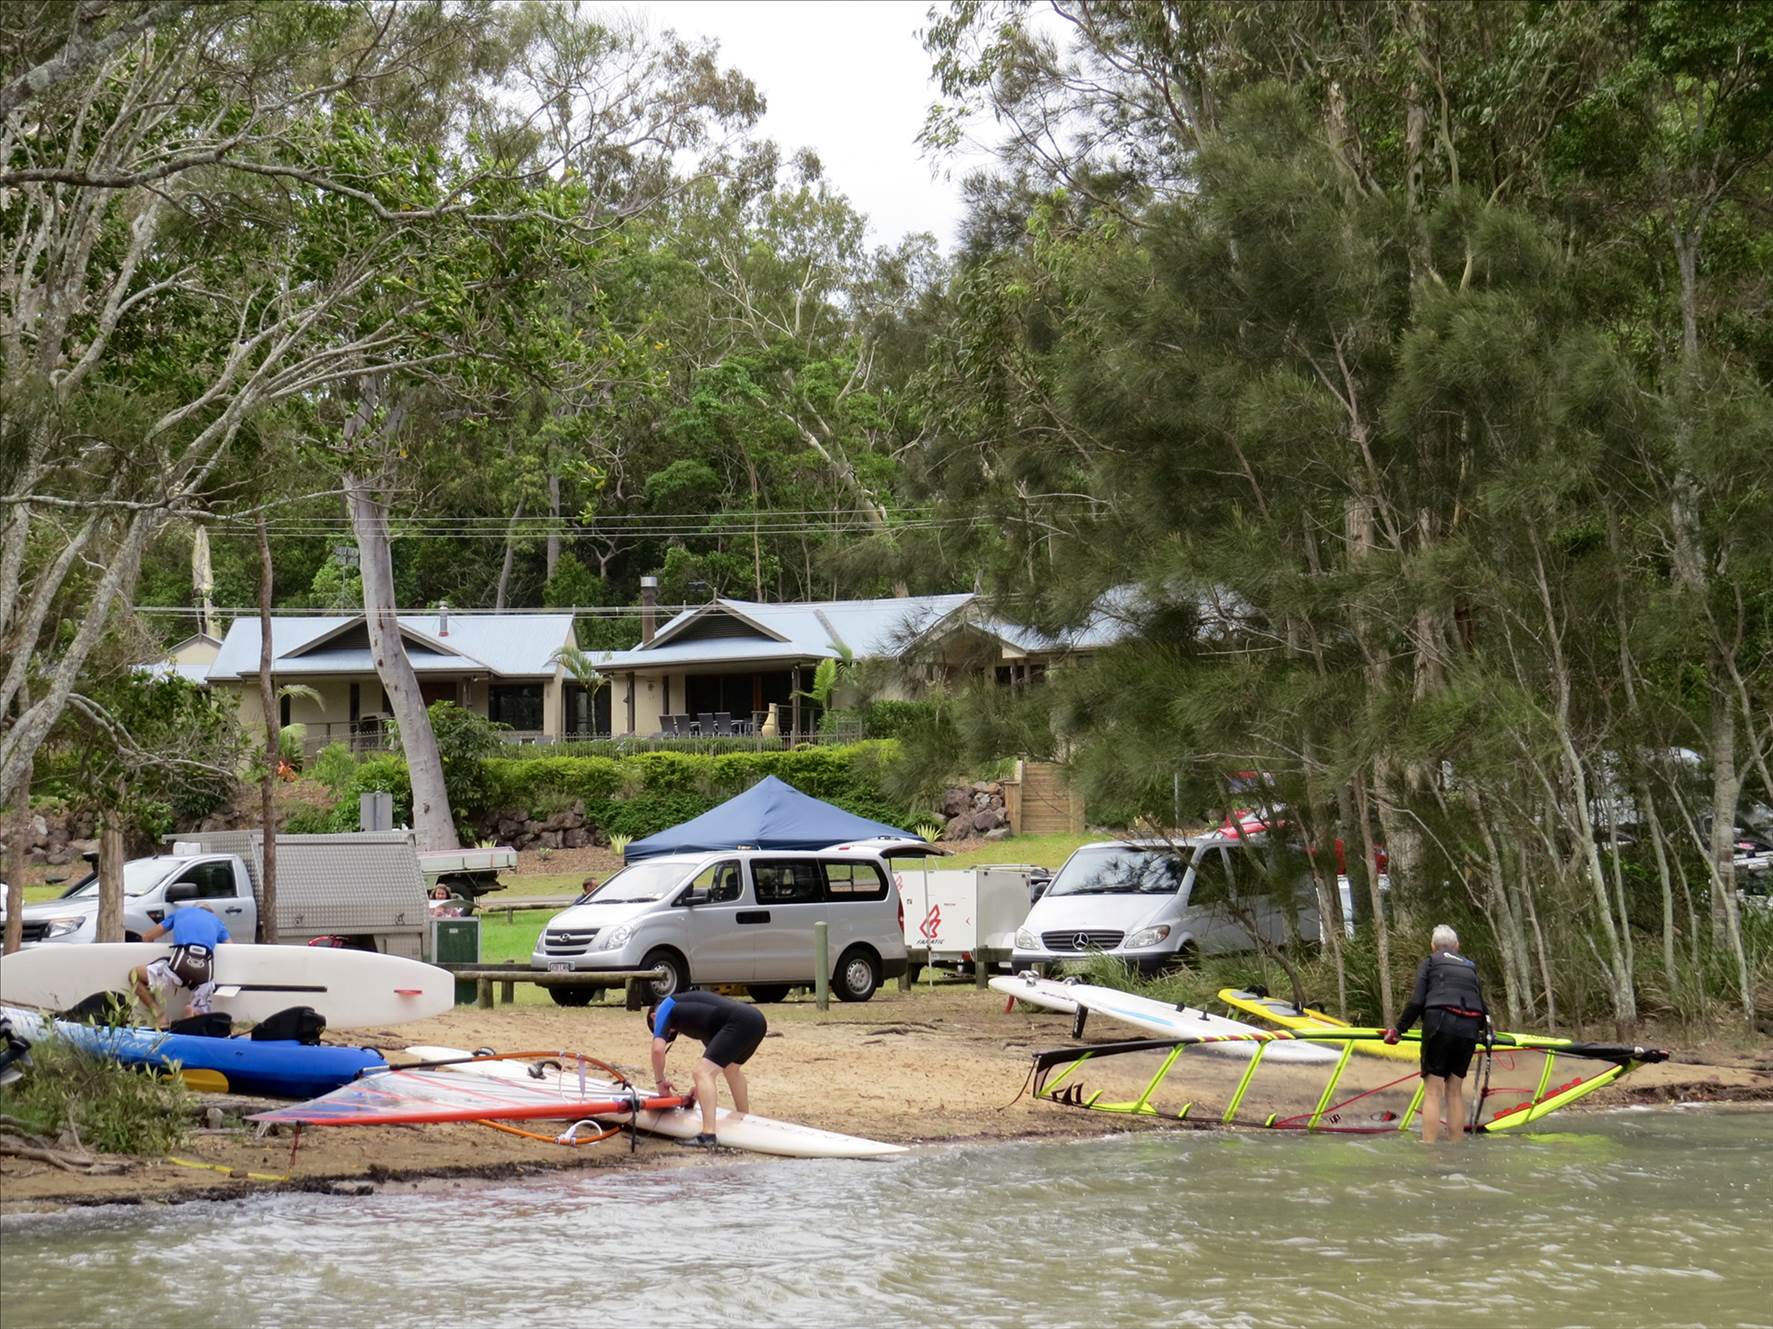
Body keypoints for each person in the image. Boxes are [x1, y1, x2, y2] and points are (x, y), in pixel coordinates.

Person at [1385, 924, 1489, 1143]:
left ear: (1433, 946)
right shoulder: (1470, 966)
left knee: (1433, 1091)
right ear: (1457, 946)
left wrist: (1398, 1030)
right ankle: (1456, 1146)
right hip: (1469, 1027)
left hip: (1440, 1023)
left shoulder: (1430, 962)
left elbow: (1417, 1001)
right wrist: (1485, 1031)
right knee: (1454, 1091)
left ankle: (1429, 1148)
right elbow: (1481, 1005)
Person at [646, 990, 767, 1148]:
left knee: (701, 1072)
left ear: (654, 1017)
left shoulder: (665, 1007)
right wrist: (699, 1089)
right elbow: (715, 1059)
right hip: (755, 1020)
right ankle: (744, 1119)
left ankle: (708, 1135)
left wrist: (660, 1082)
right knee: (731, 1069)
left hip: (740, 1021)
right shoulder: (699, 1017)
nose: (668, 1033)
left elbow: (657, 1050)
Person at [129, 901, 230, 1029]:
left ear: (194, 908)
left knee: (135, 974)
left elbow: (148, 936)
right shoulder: (217, 922)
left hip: (179, 966)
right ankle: (193, 1011)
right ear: (211, 913)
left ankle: (160, 1016)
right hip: (204, 972)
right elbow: (231, 947)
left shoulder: (180, 913)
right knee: (201, 1003)